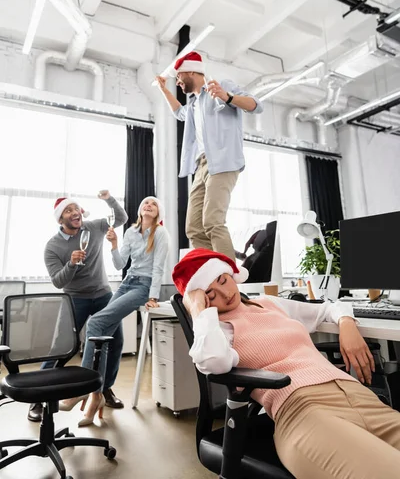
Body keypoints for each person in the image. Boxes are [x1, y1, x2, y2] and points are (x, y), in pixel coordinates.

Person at [173, 248, 400, 479]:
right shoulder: (218, 329)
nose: (224, 293)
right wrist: (199, 311)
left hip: (360, 397)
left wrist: (346, 324)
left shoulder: (268, 303)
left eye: (223, 280)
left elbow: (328, 307)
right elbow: (214, 362)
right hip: (303, 410)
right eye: (211, 294)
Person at [61, 196, 169, 426]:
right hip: (127, 282)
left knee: (96, 323)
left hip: (144, 286)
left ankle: (83, 388)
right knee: (103, 333)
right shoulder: (131, 232)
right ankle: (96, 397)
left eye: (153, 203)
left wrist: (152, 296)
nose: (148, 205)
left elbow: (158, 268)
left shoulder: (160, 233)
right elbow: (121, 265)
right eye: (145, 203)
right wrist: (113, 246)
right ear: (140, 210)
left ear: (159, 211)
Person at [28, 190, 128, 423]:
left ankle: (103, 389)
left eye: (76, 208)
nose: (74, 213)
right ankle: (38, 399)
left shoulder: (93, 227)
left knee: (116, 343)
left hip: (103, 294)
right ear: (60, 219)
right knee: (61, 347)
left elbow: (121, 218)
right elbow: (57, 281)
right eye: (68, 211)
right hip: (75, 298)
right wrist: (71, 264)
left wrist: (109, 200)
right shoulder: (52, 247)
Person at [155, 51, 263, 262]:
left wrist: (227, 97)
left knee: (213, 221)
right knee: (194, 227)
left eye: (178, 77)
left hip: (223, 162)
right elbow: (179, 113)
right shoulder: (195, 104)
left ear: (192, 71)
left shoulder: (220, 85)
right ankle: (211, 275)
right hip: (201, 166)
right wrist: (163, 89)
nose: (176, 82)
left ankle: (228, 278)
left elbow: (256, 105)